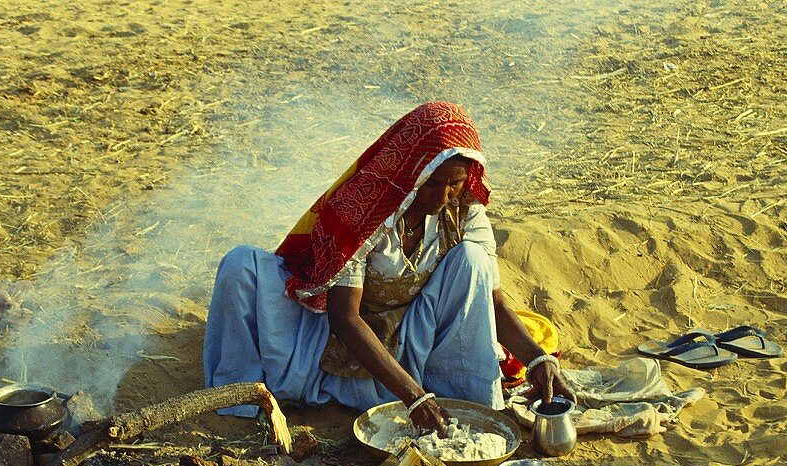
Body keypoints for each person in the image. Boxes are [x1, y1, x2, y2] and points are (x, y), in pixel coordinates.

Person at [203, 101, 572, 433]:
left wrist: (538, 360)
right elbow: (344, 319)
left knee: (472, 259)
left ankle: (461, 395)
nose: (443, 196)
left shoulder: (463, 211)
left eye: (455, 184)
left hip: (412, 335)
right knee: (241, 264)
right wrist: (413, 396)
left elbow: (494, 302)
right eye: (433, 184)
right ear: (413, 172)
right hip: (334, 333)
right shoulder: (366, 208)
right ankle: (240, 394)